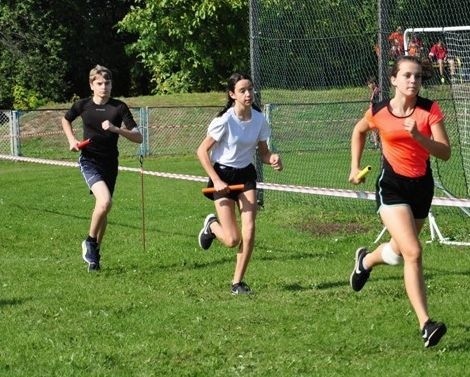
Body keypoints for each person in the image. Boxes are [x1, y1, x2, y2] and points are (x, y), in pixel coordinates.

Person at [348, 55, 451, 348]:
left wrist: (420, 137)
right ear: (393, 79)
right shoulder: (379, 110)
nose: (413, 81)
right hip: (391, 187)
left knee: (397, 251)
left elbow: (445, 152)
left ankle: (365, 261)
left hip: (421, 187)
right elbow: (359, 130)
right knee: (414, 252)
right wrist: (354, 167)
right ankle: (426, 324)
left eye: (417, 76)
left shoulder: (430, 110)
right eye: (407, 75)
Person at [196, 73, 283, 295]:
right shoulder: (224, 120)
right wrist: (216, 180)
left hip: (246, 176)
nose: (248, 94)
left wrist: (272, 158)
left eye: (250, 89)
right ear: (232, 94)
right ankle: (212, 226)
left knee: (250, 230)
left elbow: (263, 153)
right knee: (232, 239)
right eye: (242, 90)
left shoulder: (259, 119)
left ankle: (237, 283)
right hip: (222, 176)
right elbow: (201, 151)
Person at [61, 65, 143, 272]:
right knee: (105, 201)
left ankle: (95, 255)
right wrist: (72, 140)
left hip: (110, 163)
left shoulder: (119, 107)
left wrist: (116, 129)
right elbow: (65, 119)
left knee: (103, 209)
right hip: (89, 161)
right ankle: (90, 241)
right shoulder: (83, 105)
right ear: (91, 85)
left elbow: (138, 137)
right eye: (99, 83)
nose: (104, 87)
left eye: (107, 83)